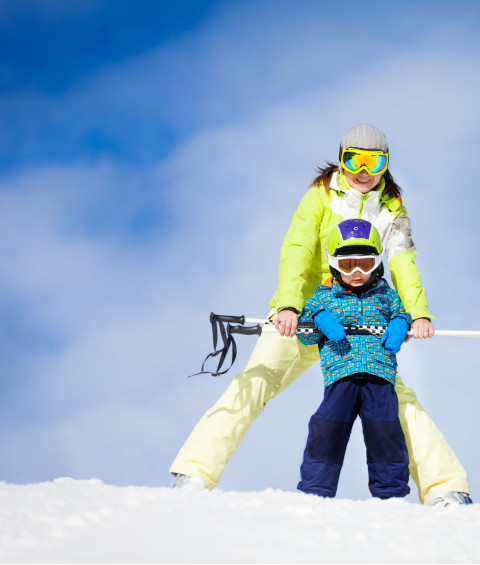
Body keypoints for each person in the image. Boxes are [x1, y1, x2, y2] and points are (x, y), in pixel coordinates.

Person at [170, 123, 472, 506]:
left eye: (374, 161)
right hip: (308, 318)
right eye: (354, 160)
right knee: (257, 380)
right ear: (342, 159)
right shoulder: (321, 197)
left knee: (398, 400)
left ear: (386, 164)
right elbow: (297, 247)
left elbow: (403, 263)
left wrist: (418, 314)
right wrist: (288, 305)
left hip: (360, 329)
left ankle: (447, 489)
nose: (364, 170)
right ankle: (194, 472)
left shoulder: (393, 210)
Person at [296, 218, 412, 499]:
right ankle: (315, 490)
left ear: (378, 262)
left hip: (379, 375)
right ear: (334, 264)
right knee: (327, 427)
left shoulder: (385, 294)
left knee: (385, 431)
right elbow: (305, 334)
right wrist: (319, 318)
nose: (358, 272)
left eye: (366, 263)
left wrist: (401, 322)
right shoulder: (323, 297)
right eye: (348, 265)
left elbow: (401, 313)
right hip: (341, 374)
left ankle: (391, 493)